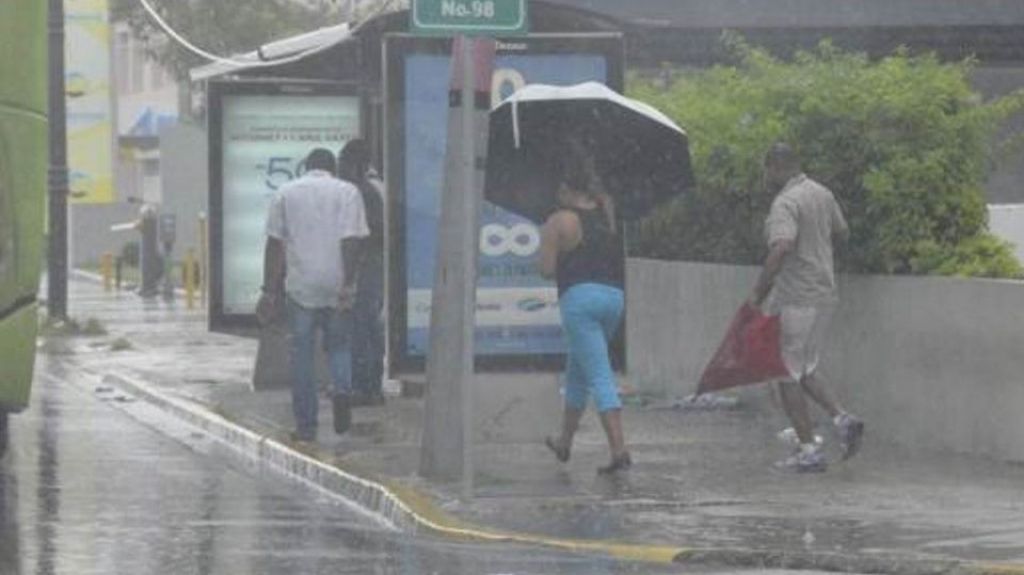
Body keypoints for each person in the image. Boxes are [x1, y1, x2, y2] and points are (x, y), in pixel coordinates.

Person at [749, 142, 865, 472]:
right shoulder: (821, 193)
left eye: (765, 170)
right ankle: (842, 419)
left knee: (784, 373)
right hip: (824, 294)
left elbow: (782, 245)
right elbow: (841, 231)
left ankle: (807, 449)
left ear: (773, 167)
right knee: (805, 368)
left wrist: (759, 292)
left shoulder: (785, 202)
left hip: (797, 296)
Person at [259, 148, 369, 442]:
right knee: (339, 345)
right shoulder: (348, 192)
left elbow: (275, 244)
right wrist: (348, 283)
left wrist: (269, 291)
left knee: (302, 357)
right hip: (336, 282)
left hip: (301, 286)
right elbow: (353, 240)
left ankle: (306, 426)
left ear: (306, 167)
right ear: (333, 168)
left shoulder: (285, 193)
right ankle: (342, 390)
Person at [539, 155, 630, 475]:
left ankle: (619, 450)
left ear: (564, 188)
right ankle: (564, 441)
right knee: (579, 368)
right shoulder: (607, 210)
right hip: (614, 297)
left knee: (600, 375)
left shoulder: (559, 221)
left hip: (580, 301)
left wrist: (548, 241)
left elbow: (546, 270)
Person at [338, 139, 386, 407]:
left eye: (343, 162)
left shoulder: (363, 192)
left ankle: (364, 386)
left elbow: (368, 234)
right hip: (369, 265)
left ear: (355, 164)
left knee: (362, 327)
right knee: (366, 327)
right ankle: (369, 385)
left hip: (366, 266)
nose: (339, 168)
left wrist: (350, 271)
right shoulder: (366, 189)